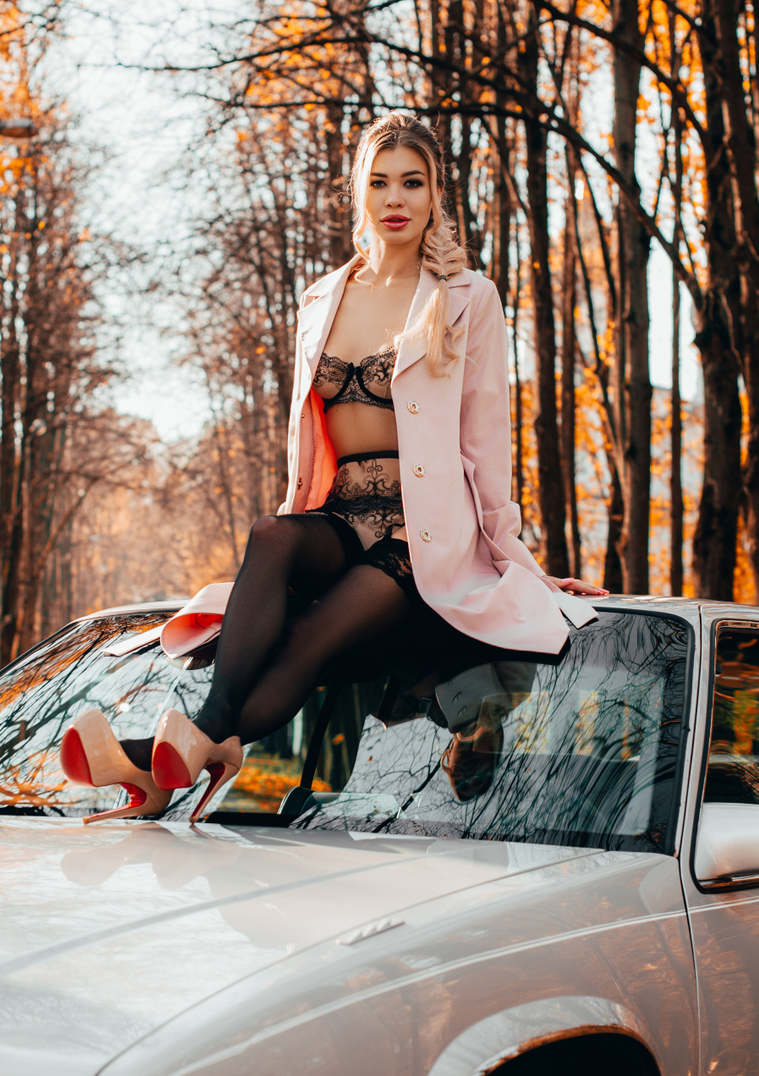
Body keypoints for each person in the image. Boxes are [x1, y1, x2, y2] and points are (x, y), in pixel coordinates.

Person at [61, 113, 607, 823]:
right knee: (271, 535)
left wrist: (515, 561)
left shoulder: (466, 297)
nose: (395, 198)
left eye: (413, 182)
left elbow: (484, 444)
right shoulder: (321, 298)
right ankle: (198, 745)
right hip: (340, 512)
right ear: (358, 191)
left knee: (309, 639)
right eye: (379, 183)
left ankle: (180, 746)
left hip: (417, 536)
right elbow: (309, 444)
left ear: (436, 193)